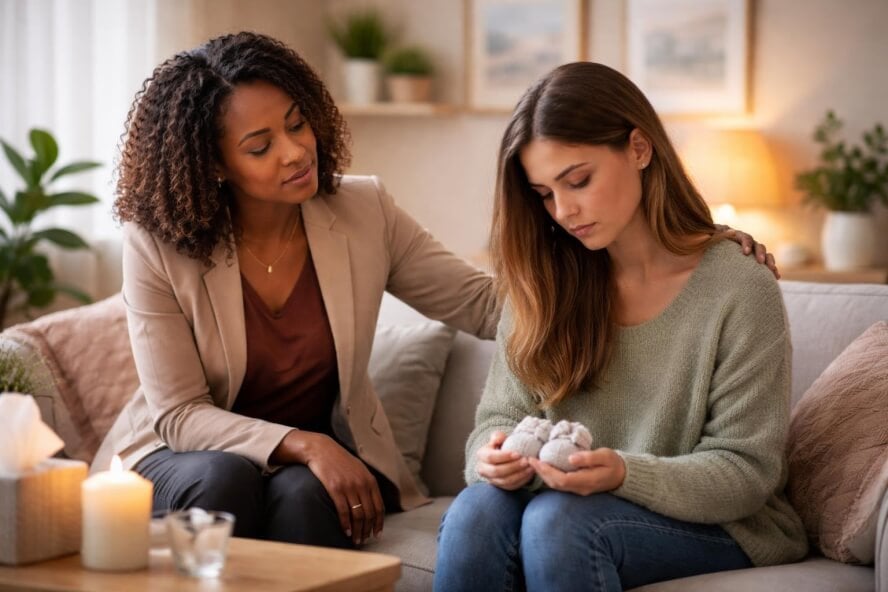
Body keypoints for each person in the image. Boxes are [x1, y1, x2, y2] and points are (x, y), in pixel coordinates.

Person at [98, 32, 776, 550]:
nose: (294, 151)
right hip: (184, 454)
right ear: (213, 164)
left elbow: (493, 308)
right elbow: (180, 412)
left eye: (297, 124)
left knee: (311, 500)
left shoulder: (361, 212)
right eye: (260, 145)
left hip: (314, 464)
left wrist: (690, 244)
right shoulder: (159, 244)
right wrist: (308, 444)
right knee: (226, 480)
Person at [433, 62, 808, 591]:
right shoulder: (542, 282)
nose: (563, 210)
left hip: (720, 525)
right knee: (475, 512)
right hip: (565, 508)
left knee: (556, 523)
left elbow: (746, 471)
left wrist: (625, 472)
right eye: (544, 193)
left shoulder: (738, 288)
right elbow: (496, 419)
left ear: (638, 148)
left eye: (578, 180)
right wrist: (489, 459)